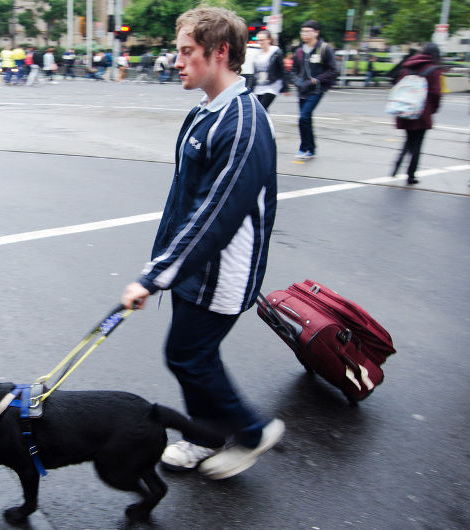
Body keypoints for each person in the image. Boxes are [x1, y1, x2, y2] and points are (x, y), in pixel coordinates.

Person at [120, 6, 284, 480]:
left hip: (222, 273)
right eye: (178, 51)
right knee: (192, 355)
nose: (177, 61)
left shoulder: (244, 124)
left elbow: (216, 216)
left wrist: (155, 276)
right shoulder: (203, 113)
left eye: (186, 52)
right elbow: (184, 203)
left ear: (220, 52)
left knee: (188, 355)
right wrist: (165, 264)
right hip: (194, 267)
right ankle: (205, 435)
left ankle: (253, 431)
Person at [391, 43, 442, 185]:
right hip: (422, 112)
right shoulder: (434, 70)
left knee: (408, 139)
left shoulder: (408, 66)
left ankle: (397, 165)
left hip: (405, 110)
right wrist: (433, 110)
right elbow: (436, 93)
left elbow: (398, 85)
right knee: (417, 144)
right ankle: (411, 175)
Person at [290, 20, 337, 160]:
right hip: (302, 89)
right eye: (302, 31)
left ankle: (303, 147)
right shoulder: (299, 51)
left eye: (307, 31)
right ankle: (311, 148)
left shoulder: (324, 49)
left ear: (316, 32)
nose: (304, 34)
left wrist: (316, 80)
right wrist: (296, 81)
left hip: (316, 89)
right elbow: (293, 70)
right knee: (306, 119)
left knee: (303, 117)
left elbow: (333, 70)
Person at [251, 29, 286, 110]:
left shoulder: (275, 52)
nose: (260, 42)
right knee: (262, 110)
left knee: (261, 108)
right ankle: (266, 122)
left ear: (269, 40)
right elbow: (255, 72)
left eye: (262, 40)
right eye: (258, 40)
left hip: (273, 84)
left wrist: (286, 86)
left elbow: (282, 69)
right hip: (260, 84)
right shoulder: (257, 53)